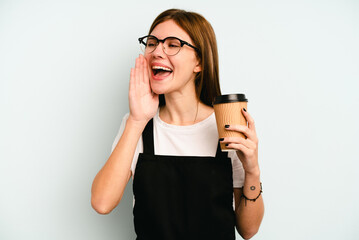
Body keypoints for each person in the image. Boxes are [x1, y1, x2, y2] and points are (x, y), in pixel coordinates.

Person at [91, 8, 264, 240]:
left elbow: (248, 230)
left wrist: (252, 170)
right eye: (152, 43)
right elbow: (102, 203)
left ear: (199, 62)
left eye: (173, 44)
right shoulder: (137, 124)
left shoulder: (227, 124)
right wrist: (136, 120)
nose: (157, 52)